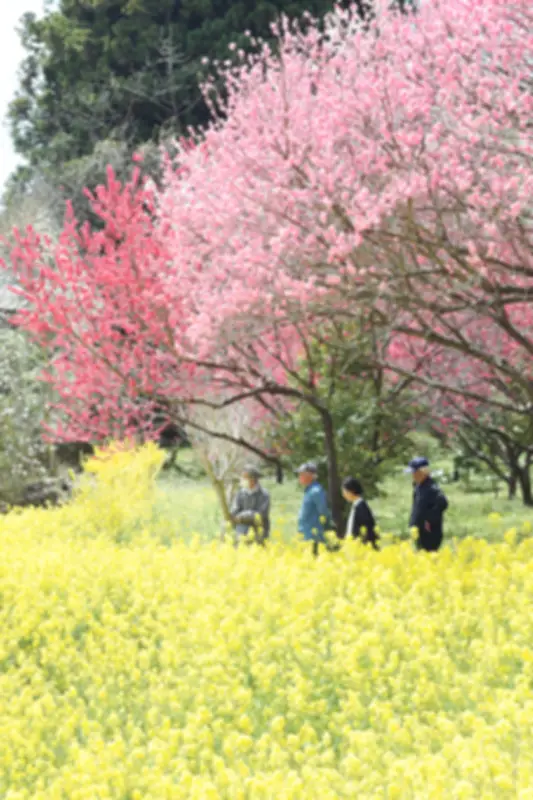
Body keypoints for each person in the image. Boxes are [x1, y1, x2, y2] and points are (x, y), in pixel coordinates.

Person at [405, 457, 448, 551]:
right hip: (418, 531)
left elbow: (443, 503)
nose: (413, 475)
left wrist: (429, 520)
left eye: (415, 472)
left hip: (430, 532)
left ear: (423, 472)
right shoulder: (418, 487)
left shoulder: (432, 488)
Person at [230, 465, 270, 545]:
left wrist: (242, 516)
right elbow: (234, 512)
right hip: (241, 531)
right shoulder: (240, 493)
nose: (242, 480)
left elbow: (261, 515)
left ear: (253, 479)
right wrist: (236, 517)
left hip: (258, 531)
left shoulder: (264, 494)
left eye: (244, 477)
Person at [297, 462, 331, 553]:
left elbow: (324, 513)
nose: (299, 477)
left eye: (302, 474)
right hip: (306, 536)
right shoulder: (309, 490)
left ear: (310, 476)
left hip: (313, 537)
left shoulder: (316, 491)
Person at [341, 477, 379, 549]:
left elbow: (367, 531)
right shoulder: (357, 506)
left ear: (351, 491)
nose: (343, 495)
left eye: (345, 492)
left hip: (361, 549)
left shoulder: (361, 508)